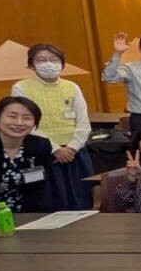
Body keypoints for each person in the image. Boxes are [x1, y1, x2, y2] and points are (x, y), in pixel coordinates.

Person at [11, 43, 93, 210]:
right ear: (32, 65)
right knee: (49, 203)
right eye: (42, 60)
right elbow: (25, 124)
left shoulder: (72, 87)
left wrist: (72, 148)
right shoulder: (21, 88)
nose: (48, 64)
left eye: (54, 59)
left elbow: (83, 122)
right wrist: (54, 149)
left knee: (81, 201)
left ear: (62, 64)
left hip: (74, 153)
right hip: (42, 153)